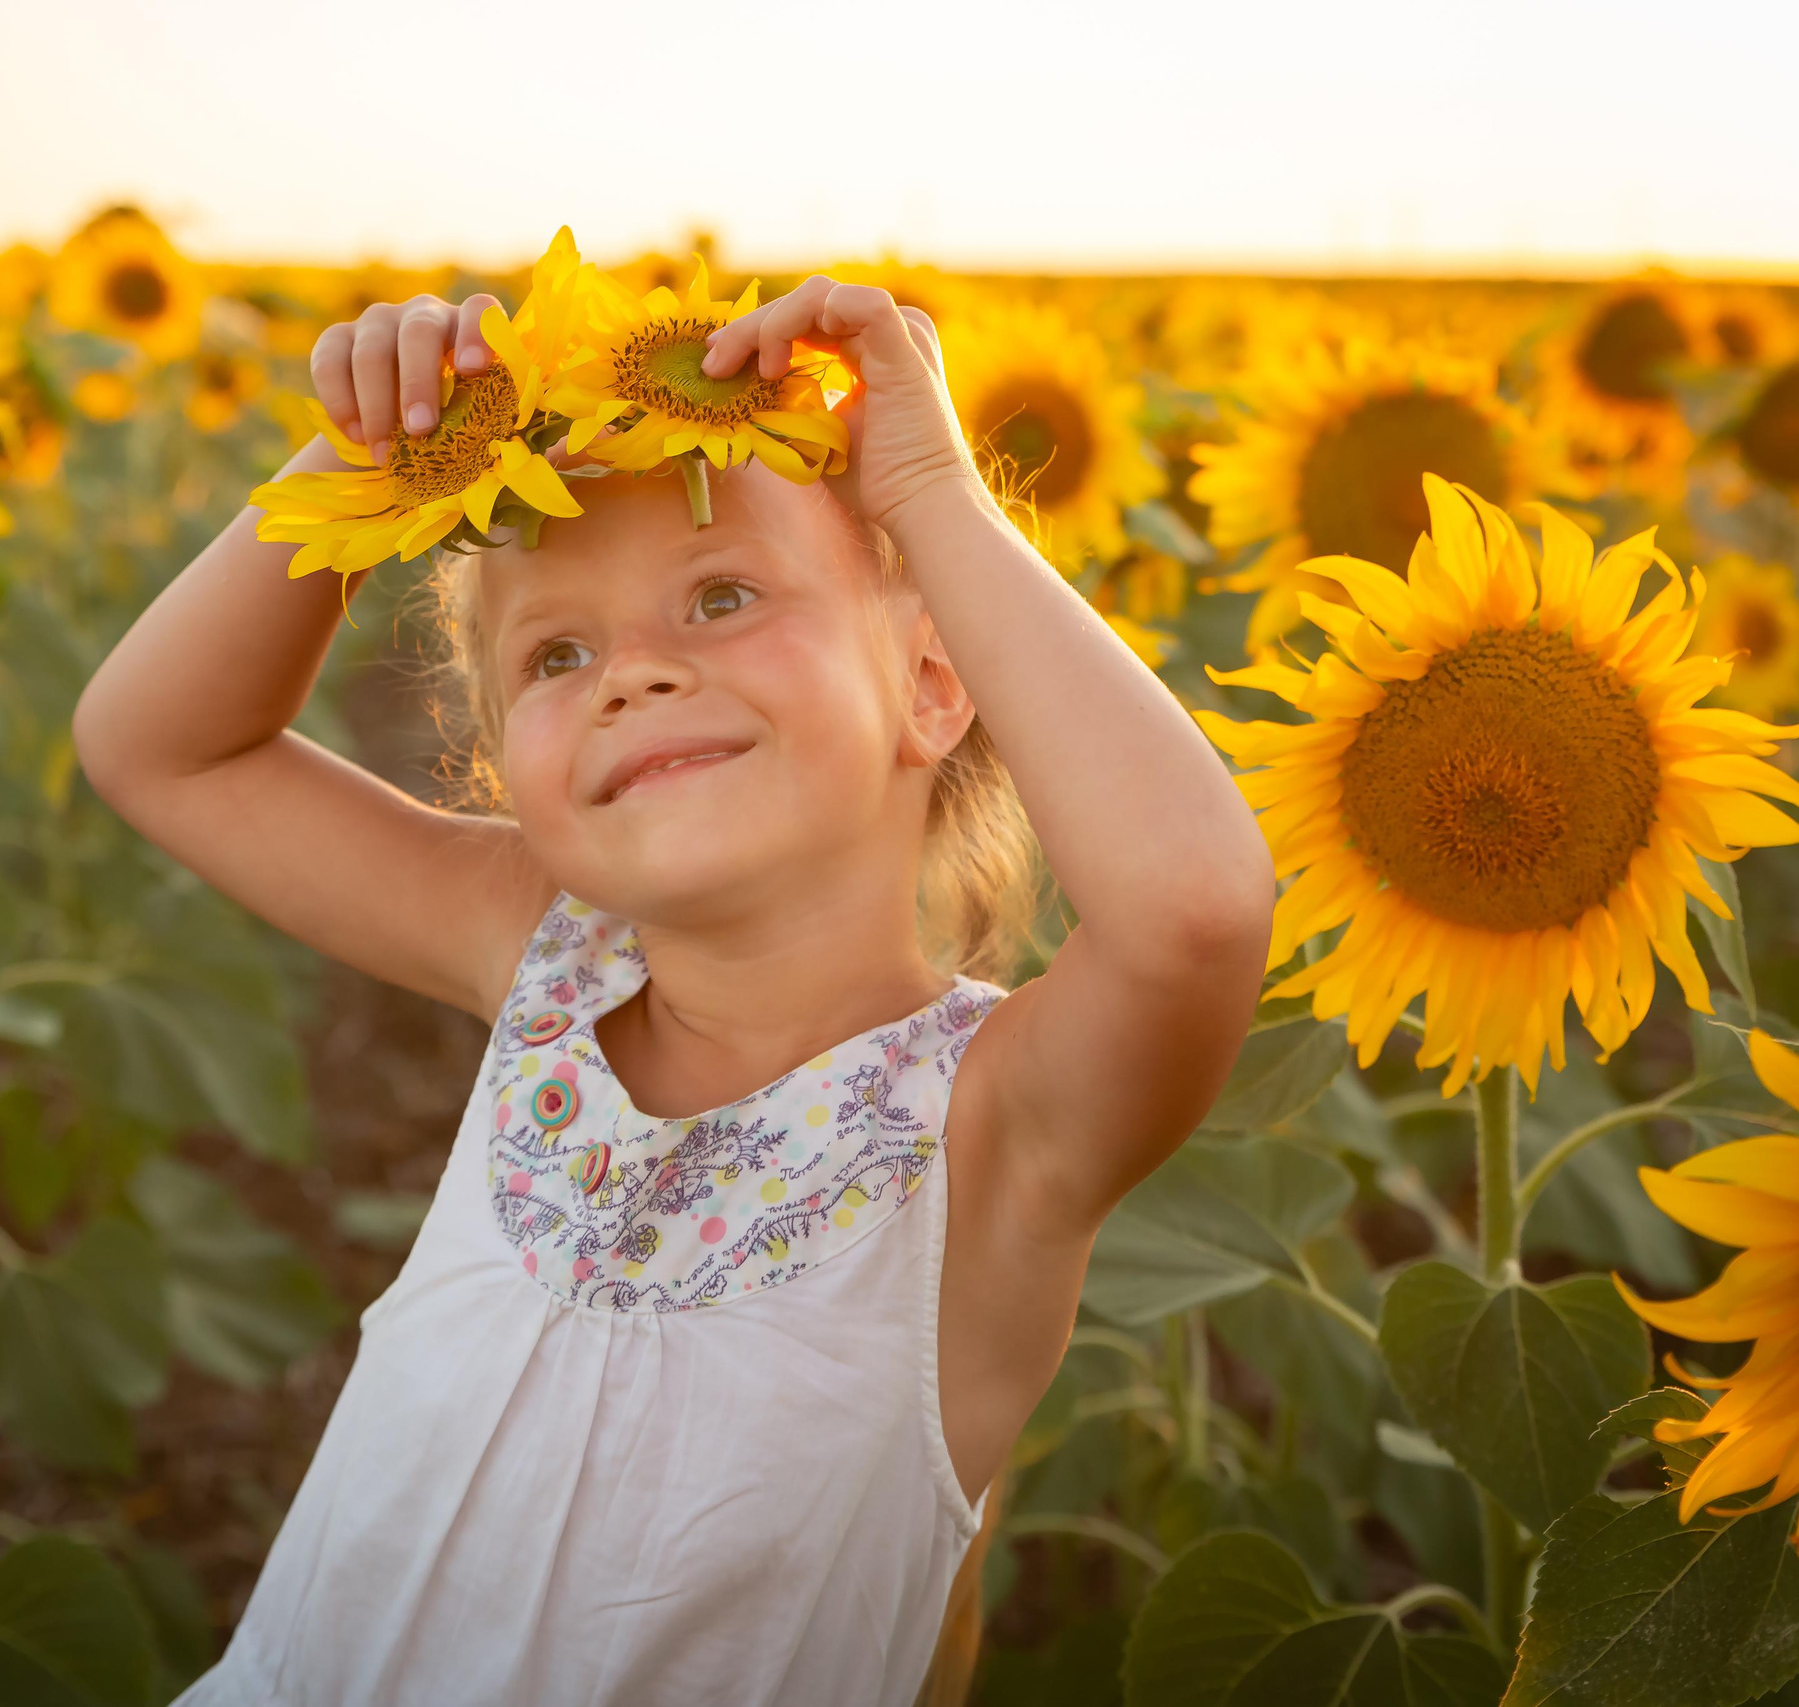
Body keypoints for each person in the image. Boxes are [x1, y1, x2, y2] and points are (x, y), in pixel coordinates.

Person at [72, 272, 1275, 1705]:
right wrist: (370, 458)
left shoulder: (995, 1123)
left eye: (722, 595)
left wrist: (929, 491)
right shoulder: (546, 953)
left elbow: (1195, 912)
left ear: (933, 685)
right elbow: (159, 746)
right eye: (556, 654)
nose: (631, 674)